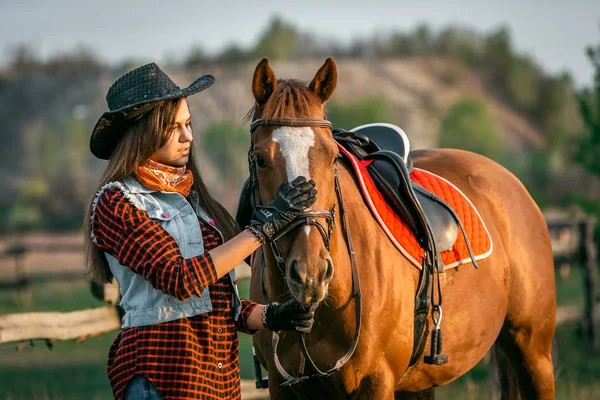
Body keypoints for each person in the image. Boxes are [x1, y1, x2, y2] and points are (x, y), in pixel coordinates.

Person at [83, 63, 318, 400]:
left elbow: (224, 305)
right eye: (174, 127)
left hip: (215, 384)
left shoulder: (199, 203)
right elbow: (180, 280)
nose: (188, 136)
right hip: (161, 379)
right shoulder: (117, 202)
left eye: (188, 124)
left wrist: (273, 315)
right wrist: (264, 226)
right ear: (143, 132)